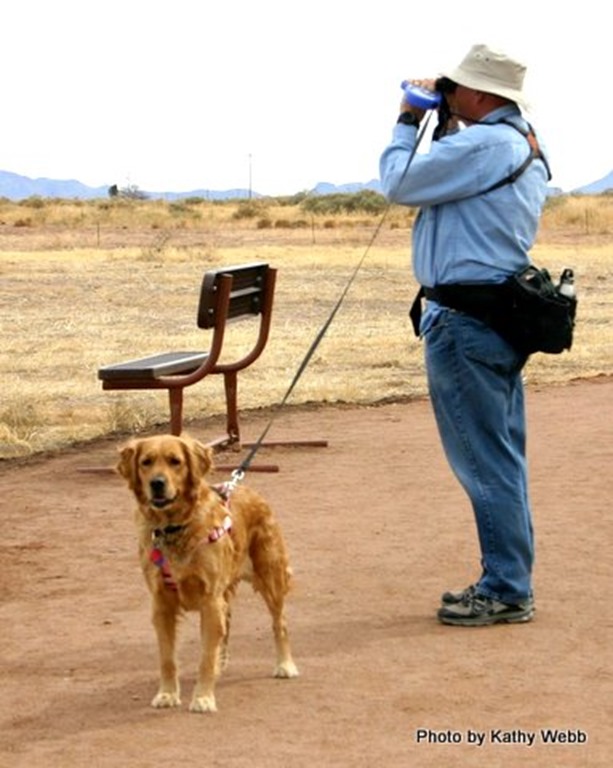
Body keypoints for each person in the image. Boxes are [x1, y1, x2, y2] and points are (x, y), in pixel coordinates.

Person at [379, 44, 551, 626]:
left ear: (481, 95)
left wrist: (408, 119)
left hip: (464, 322)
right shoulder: (523, 143)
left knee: (483, 460)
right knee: (502, 454)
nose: (447, 95)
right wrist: (448, 121)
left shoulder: (485, 144)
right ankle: (509, 578)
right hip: (497, 318)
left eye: (455, 87)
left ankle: (506, 587)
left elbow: (397, 182)